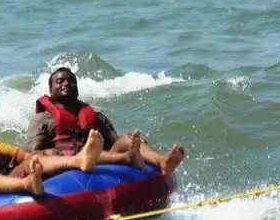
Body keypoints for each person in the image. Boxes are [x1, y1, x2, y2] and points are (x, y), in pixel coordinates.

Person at [26, 67, 186, 176]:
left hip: (102, 160)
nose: (66, 83)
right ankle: (128, 158)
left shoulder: (95, 116)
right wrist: (54, 154)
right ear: (50, 90)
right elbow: (33, 153)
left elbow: (115, 142)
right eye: (60, 81)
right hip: (67, 163)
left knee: (128, 139)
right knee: (88, 153)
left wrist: (134, 145)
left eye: (70, 80)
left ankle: (162, 162)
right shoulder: (42, 119)